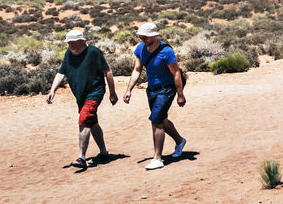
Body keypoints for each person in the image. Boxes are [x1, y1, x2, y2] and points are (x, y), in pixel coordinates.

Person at [46, 28, 116, 169]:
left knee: (84, 120)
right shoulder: (69, 54)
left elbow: (107, 71)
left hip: (95, 92)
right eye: (69, 43)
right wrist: (52, 90)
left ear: (82, 41)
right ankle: (103, 153)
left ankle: (81, 157)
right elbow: (61, 73)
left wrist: (112, 92)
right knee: (92, 122)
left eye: (73, 43)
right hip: (80, 95)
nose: (70, 46)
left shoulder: (94, 52)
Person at [123, 22, 188, 171]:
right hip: (151, 89)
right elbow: (137, 69)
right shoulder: (140, 48)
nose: (143, 40)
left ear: (154, 36)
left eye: (145, 37)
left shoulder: (166, 51)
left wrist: (180, 94)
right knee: (161, 119)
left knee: (156, 121)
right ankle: (180, 141)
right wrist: (129, 90)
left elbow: (176, 73)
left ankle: (157, 158)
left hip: (167, 90)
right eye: (141, 37)